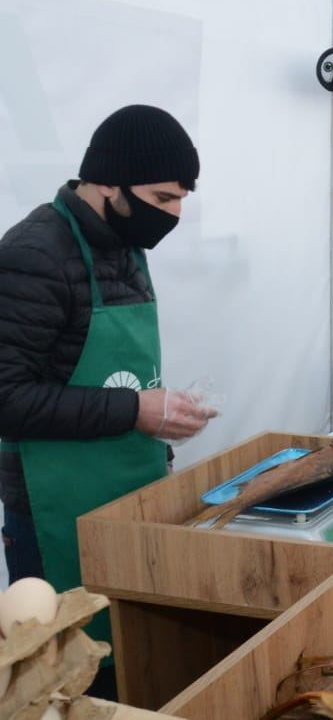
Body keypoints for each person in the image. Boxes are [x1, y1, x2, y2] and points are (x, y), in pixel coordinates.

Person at [0, 104, 215, 698]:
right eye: (163, 198)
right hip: (52, 514)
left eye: (181, 200)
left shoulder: (124, 242)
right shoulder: (34, 254)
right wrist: (134, 410)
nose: (173, 215)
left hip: (129, 493)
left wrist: (163, 412)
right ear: (108, 184)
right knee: (70, 681)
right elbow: (7, 398)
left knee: (138, 664)